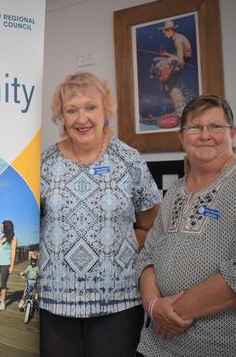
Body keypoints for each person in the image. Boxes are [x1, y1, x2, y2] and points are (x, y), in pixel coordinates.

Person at [136, 94, 236, 356]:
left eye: (215, 127)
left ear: (232, 134)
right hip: (162, 346)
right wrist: (154, 306)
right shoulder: (174, 191)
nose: (205, 135)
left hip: (233, 347)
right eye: (195, 128)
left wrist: (171, 314)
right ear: (181, 138)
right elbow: (147, 256)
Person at [39, 72, 161, 356]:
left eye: (90, 107)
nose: (82, 119)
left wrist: (115, 255)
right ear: (61, 116)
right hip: (53, 305)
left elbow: (151, 225)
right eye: (72, 110)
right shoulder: (44, 163)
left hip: (118, 305)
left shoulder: (128, 159)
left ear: (106, 110)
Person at [151, 19, 192, 116]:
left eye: (164, 32)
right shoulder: (176, 38)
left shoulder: (178, 40)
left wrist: (167, 61)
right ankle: (161, 78)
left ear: (169, 30)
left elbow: (180, 59)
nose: (164, 34)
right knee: (156, 59)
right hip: (179, 60)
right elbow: (177, 55)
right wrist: (166, 54)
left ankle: (180, 107)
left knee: (160, 66)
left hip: (181, 62)